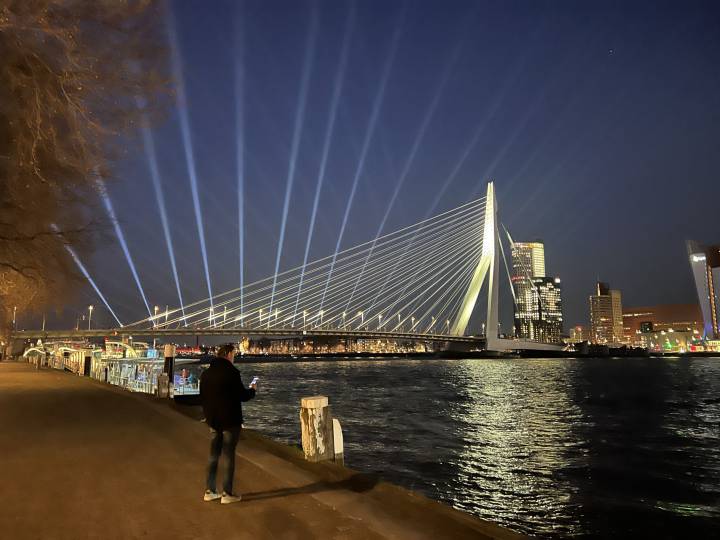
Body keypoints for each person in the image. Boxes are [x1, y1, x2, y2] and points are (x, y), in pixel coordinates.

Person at [199, 343, 257, 504]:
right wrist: (252, 390)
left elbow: (202, 397)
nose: (234, 357)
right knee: (229, 456)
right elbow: (242, 395)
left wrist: (208, 416)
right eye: (234, 354)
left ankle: (210, 491)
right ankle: (227, 493)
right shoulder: (232, 372)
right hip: (230, 421)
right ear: (229, 354)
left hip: (213, 420)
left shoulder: (206, 374)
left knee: (213, 455)